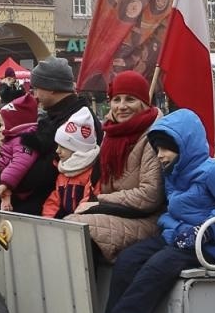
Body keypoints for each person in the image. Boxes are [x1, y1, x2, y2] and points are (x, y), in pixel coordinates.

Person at [98, 109, 215, 313]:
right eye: (157, 150)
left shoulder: (212, 172)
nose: (161, 156)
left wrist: (205, 231)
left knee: (158, 264)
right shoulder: (172, 174)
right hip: (175, 239)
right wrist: (175, 228)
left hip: (204, 247)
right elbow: (170, 211)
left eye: (166, 149)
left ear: (185, 145)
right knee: (129, 258)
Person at [67, 71, 164, 261]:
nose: (121, 106)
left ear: (144, 102)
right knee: (66, 227)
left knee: (78, 230)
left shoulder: (155, 136)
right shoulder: (111, 133)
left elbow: (150, 195)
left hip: (147, 219)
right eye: (116, 99)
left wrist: (100, 202)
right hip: (117, 212)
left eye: (130, 99)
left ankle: (85, 291)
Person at [10, 57, 92, 216]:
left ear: (51, 88)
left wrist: (16, 185)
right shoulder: (54, 116)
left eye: (36, 88)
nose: (34, 95)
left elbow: (49, 169)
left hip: (61, 203)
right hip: (47, 197)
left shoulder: (78, 121)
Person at [42, 107, 101, 218]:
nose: (57, 151)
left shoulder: (93, 173)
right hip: (67, 224)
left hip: (80, 224)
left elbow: (89, 202)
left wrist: (73, 222)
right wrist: (48, 221)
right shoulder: (64, 172)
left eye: (63, 147)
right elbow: (54, 200)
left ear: (77, 149)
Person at [0, 92, 40, 211]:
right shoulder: (12, 139)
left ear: (15, 124)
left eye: (3, 124)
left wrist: (5, 183)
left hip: (13, 188)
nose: (1, 128)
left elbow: (20, 163)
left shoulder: (23, 140)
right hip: (4, 183)